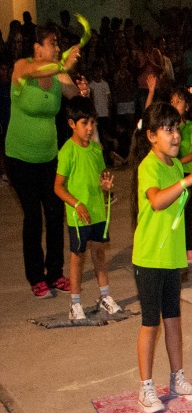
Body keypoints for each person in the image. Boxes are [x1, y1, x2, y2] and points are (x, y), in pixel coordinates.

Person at [129, 102, 192, 413]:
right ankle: (145, 387)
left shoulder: (175, 166)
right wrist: (186, 182)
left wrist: (182, 178)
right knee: (151, 323)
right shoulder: (149, 166)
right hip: (149, 257)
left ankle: (178, 378)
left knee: (173, 319)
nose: (176, 136)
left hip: (171, 258)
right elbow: (157, 201)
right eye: (169, 130)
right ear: (151, 136)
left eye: (177, 128)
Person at [7, 23, 85, 298]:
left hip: (48, 156)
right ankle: (35, 276)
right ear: (37, 47)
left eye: (58, 44)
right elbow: (39, 70)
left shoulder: (58, 73)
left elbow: (74, 98)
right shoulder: (22, 67)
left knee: (54, 214)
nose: (56, 48)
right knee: (33, 216)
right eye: (52, 43)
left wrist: (81, 92)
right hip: (19, 158)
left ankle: (55, 272)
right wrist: (63, 63)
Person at [53, 96, 121, 321]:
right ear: (72, 124)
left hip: (98, 212)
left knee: (99, 253)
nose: (90, 128)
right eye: (85, 123)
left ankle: (105, 296)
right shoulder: (67, 152)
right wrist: (77, 204)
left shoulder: (95, 149)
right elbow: (58, 187)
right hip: (78, 214)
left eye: (92, 122)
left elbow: (102, 176)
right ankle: (75, 303)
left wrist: (106, 187)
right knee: (78, 257)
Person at [168, 87, 192, 265]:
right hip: (171, 174)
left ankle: (189, 249)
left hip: (186, 173)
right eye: (172, 102)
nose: (175, 105)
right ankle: (175, 247)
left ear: (187, 106)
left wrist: (178, 162)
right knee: (173, 212)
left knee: (187, 212)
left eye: (179, 102)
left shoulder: (190, 128)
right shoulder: (167, 129)